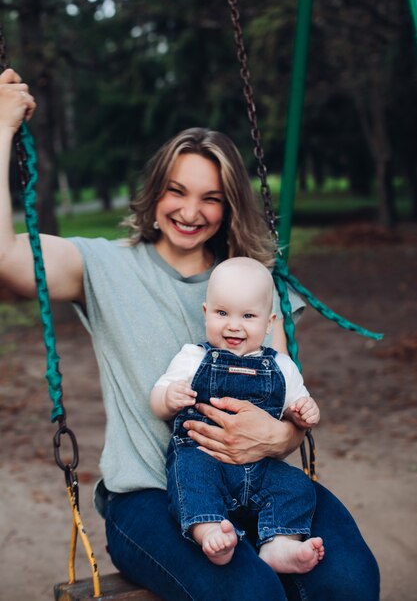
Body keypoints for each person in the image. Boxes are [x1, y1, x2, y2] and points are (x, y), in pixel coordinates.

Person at [0, 67, 379, 601]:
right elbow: (6, 258)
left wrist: (284, 436)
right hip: (151, 497)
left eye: (211, 197)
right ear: (156, 190)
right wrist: (2, 129)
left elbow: (284, 394)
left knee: (351, 584)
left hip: (259, 482)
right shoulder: (103, 265)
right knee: (250, 594)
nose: (190, 211)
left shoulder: (254, 283)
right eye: (177, 191)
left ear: (229, 206)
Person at [151, 256, 324, 572]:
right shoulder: (193, 357)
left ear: (269, 323)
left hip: (260, 466)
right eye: (221, 313)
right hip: (204, 455)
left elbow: (296, 406)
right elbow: (157, 400)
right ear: (206, 314)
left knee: (296, 485)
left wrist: (303, 412)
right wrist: (169, 396)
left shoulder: (281, 367)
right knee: (189, 476)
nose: (233, 325)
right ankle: (210, 531)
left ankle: (280, 544)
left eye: (247, 315)